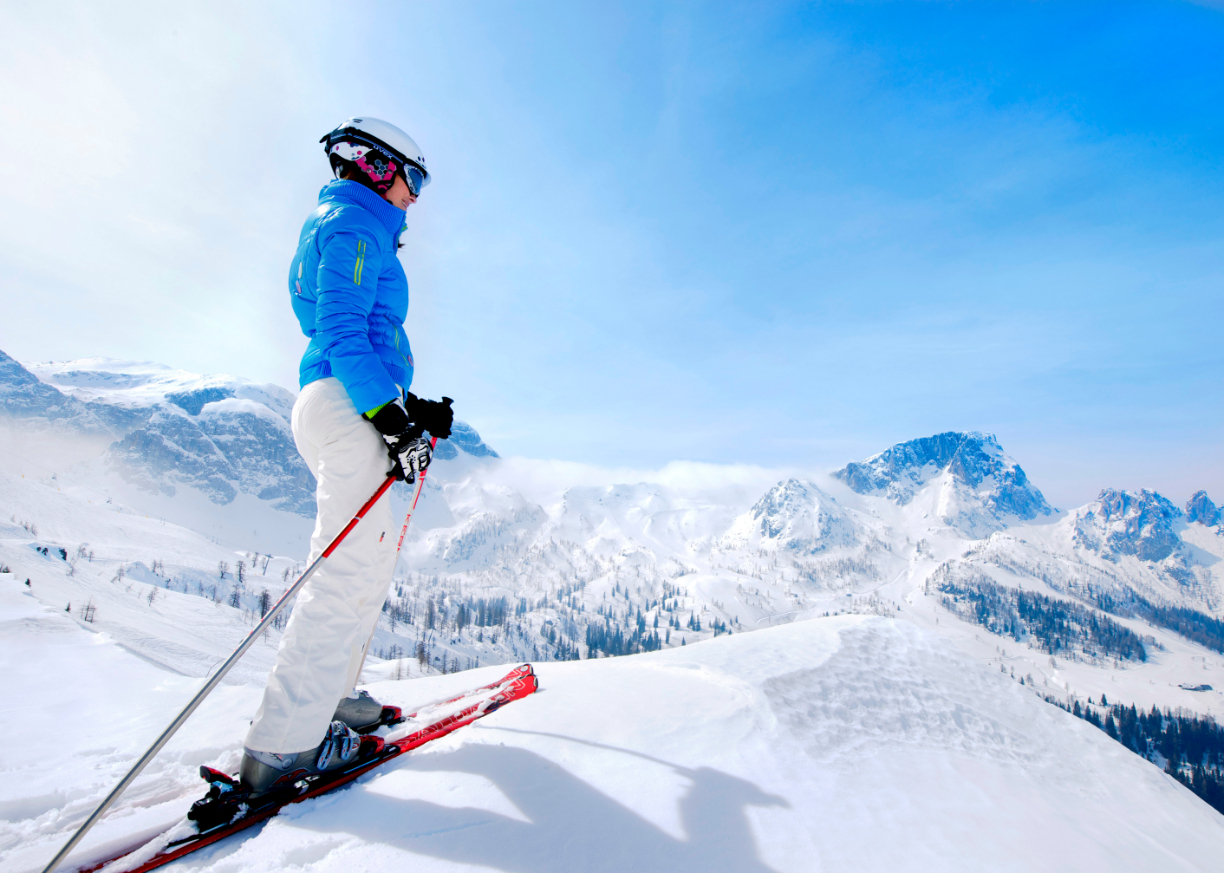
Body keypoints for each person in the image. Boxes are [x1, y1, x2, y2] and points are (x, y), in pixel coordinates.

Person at [239, 117, 454, 796]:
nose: (415, 197)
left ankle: (330, 697)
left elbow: (357, 336)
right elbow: (340, 331)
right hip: (346, 404)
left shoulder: (351, 226)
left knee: (366, 565)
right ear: (372, 165)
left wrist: (406, 407)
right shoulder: (354, 226)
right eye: (411, 179)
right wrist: (389, 416)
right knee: (344, 575)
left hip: (347, 400)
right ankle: (284, 748)